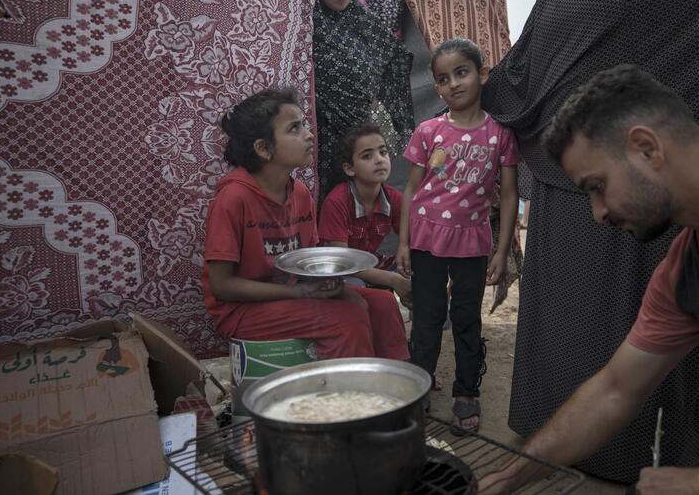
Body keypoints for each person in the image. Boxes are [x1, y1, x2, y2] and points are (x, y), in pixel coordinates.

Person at [479, 64, 699, 495]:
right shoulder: (685, 266)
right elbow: (615, 390)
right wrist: (510, 476)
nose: (597, 213)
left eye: (597, 186)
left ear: (646, 149)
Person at [201, 88, 408, 361]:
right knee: (347, 316)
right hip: (242, 310)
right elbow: (222, 285)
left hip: (294, 294)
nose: (309, 134)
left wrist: (326, 286)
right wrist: (297, 291)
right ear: (264, 148)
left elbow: (309, 260)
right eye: (295, 128)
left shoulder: (299, 193)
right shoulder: (233, 199)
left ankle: (395, 385)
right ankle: (352, 396)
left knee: (382, 303)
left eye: (304, 125)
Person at [396, 39, 520, 434]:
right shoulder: (429, 131)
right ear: (437, 88)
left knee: (467, 320)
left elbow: (511, 194)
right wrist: (402, 242)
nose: (453, 84)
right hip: (426, 239)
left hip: (472, 242)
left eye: (461, 73)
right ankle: (419, 388)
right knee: (427, 319)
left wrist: (502, 251)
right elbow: (412, 191)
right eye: (443, 79)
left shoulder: (499, 135)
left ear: (481, 74)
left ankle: (467, 392)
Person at [312, 0, 414, 196]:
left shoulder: (364, 22)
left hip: (357, 155)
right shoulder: (302, 25)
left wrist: (387, 118)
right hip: (314, 153)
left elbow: (397, 60)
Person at [318, 122, 412, 307]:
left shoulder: (394, 198)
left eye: (383, 152)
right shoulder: (337, 202)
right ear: (349, 168)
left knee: (422, 273)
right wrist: (393, 280)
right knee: (356, 292)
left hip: (373, 262)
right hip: (340, 272)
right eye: (367, 156)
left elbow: (412, 239)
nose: (379, 160)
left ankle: (425, 329)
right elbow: (342, 263)